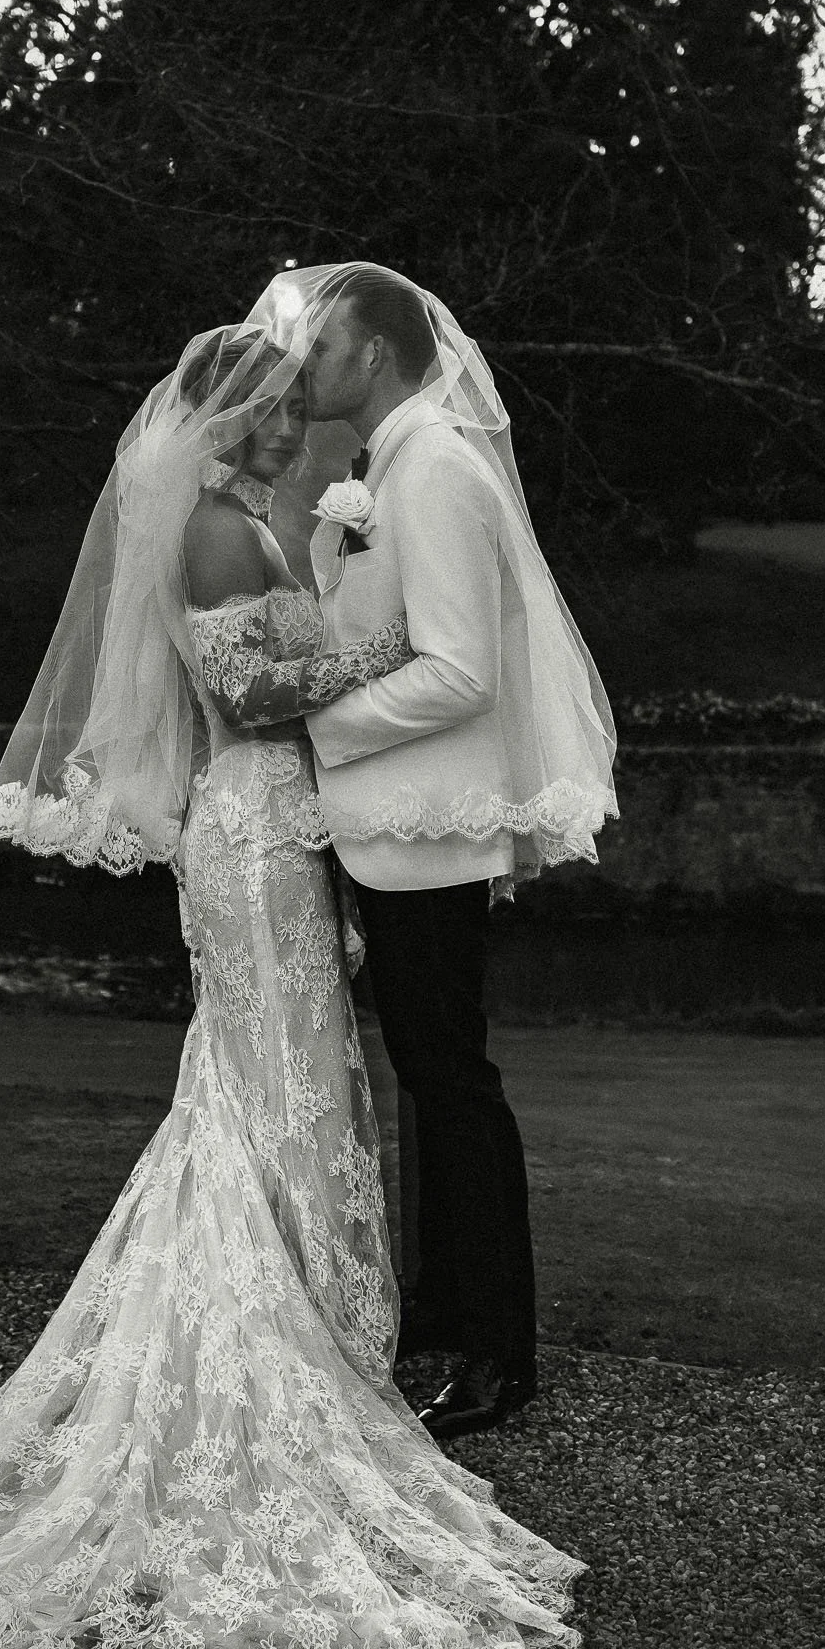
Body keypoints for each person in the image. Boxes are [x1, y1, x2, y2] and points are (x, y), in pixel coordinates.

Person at [0, 299, 602, 1649]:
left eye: (299, 399)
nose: (292, 422)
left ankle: (336, 1323)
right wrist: (367, 661)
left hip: (294, 830)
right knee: (256, 1081)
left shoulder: (274, 518)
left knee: (293, 1079)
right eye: (272, 407)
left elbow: (310, 666)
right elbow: (243, 692)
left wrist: (354, 645)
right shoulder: (215, 530)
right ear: (224, 421)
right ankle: (283, 1325)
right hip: (254, 831)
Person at [298, 265, 618, 1440]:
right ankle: (449, 1306)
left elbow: (461, 672)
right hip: (397, 830)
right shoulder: (394, 462)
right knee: (433, 1076)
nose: (307, 365)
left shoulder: (431, 468)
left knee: (454, 1083)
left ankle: (498, 1353)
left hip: (424, 830)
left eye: (323, 344)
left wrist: (318, 730)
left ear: (374, 352)